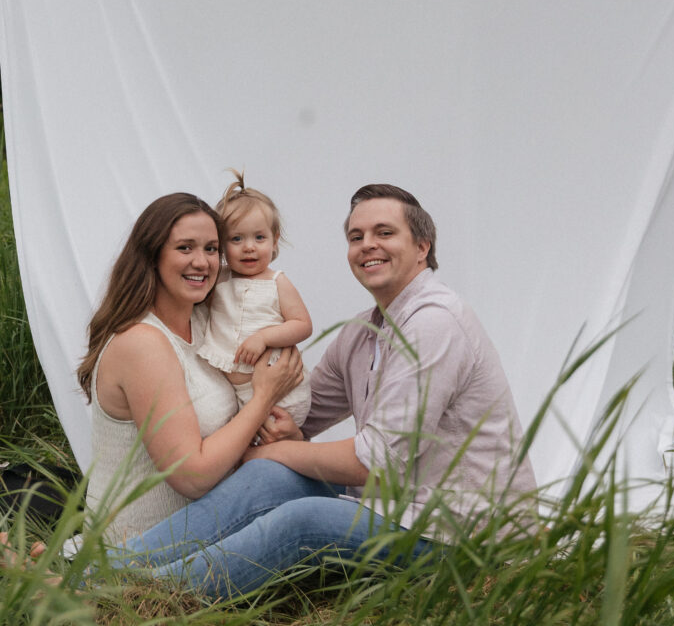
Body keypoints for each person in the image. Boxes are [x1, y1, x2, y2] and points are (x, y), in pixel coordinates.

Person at [105, 184, 537, 597]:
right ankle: (99, 570)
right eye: (356, 236)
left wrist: (271, 450)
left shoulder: (435, 323)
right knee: (268, 476)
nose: (368, 244)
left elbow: (375, 464)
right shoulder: (366, 332)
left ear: (423, 247)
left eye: (385, 233)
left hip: (460, 532)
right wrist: (270, 421)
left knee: (300, 520)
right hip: (398, 509)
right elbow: (297, 416)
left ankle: (118, 595)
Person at [76, 192, 303, 544]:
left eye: (211, 249)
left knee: (312, 484)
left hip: (209, 529)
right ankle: (83, 575)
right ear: (152, 256)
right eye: (185, 248)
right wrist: (264, 397)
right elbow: (192, 478)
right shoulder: (142, 342)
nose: (202, 262)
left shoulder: (206, 323)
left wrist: (283, 431)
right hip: (141, 546)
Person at [198, 171, 312, 425]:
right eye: (236, 238)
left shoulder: (276, 282)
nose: (249, 247)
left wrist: (263, 338)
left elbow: (303, 324)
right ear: (221, 245)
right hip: (240, 397)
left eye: (259, 237)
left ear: (274, 241)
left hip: (284, 394)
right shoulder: (220, 279)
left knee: (269, 444)